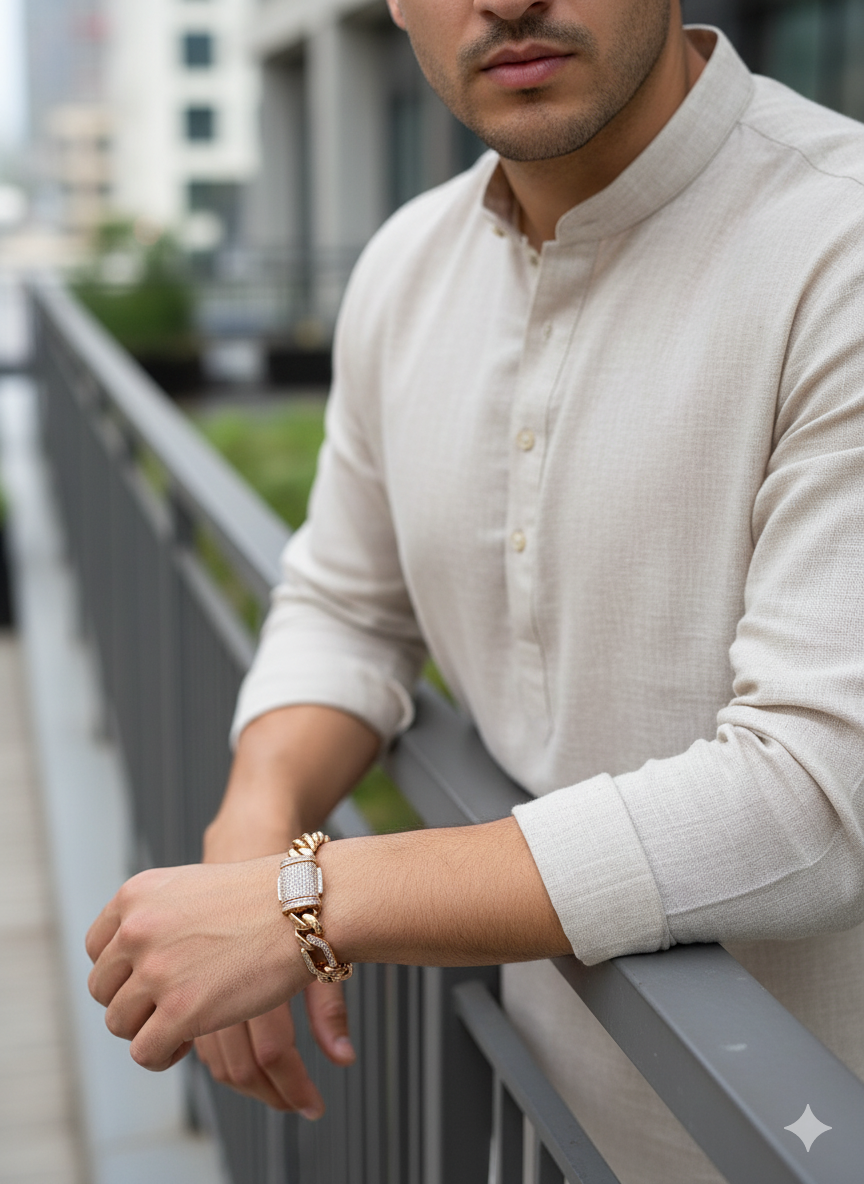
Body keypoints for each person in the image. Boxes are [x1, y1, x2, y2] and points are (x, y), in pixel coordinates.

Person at [86, 1, 864, 1180]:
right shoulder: (406, 266)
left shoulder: (838, 244)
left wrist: (310, 899)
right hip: (535, 1113)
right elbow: (348, 603)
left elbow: (816, 792)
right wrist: (252, 823)